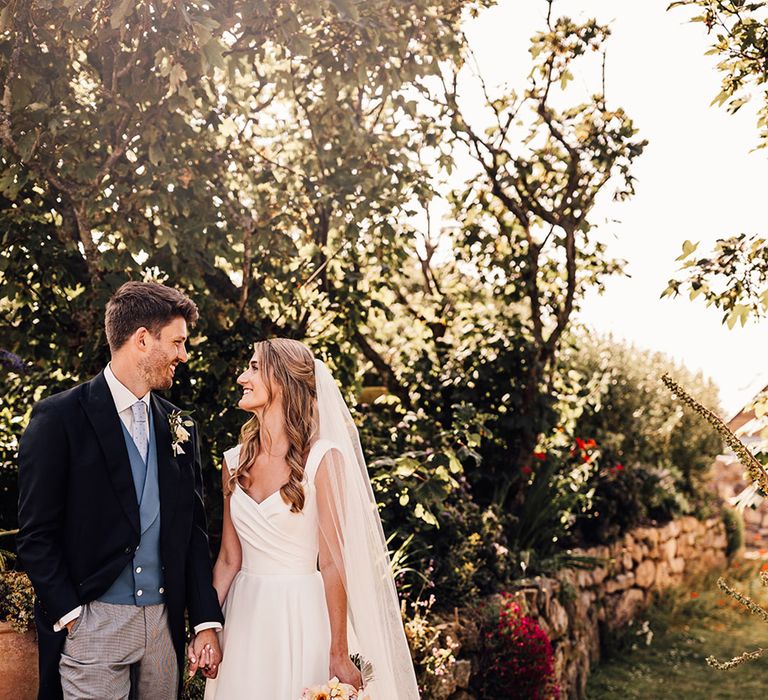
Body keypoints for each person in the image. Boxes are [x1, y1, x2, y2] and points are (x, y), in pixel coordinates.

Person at [17, 281, 224, 700]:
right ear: (143, 339)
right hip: (94, 623)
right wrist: (73, 616)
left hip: (163, 627)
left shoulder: (179, 425)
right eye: (178, 342)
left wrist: (204, 621)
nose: (184, 355)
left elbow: (193, 534)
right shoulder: (59, 418)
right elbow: (36, 534)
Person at [201, 338, 420, 699]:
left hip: (300, 615)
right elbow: (228, 558)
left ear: (283, 379)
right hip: (243, 619)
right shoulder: (233, 462)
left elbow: (333, 561)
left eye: (254, 367)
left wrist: (338, 650)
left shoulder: (322, 459)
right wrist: (206, 626)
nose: (242, 377)